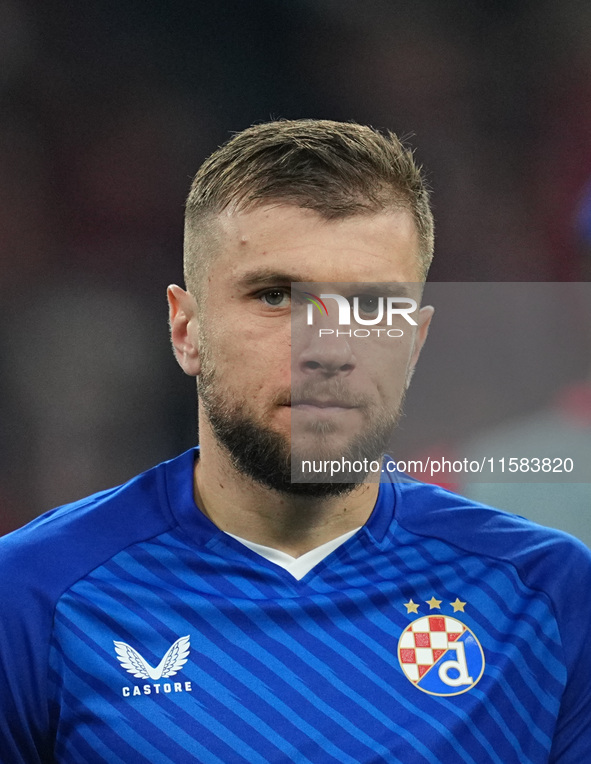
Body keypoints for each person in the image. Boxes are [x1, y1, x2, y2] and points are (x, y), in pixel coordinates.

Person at [0, 119, 589, 764]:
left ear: (414, 344)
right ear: (186, 328)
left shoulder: (546, 596)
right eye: (276, 296)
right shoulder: (33, 594)